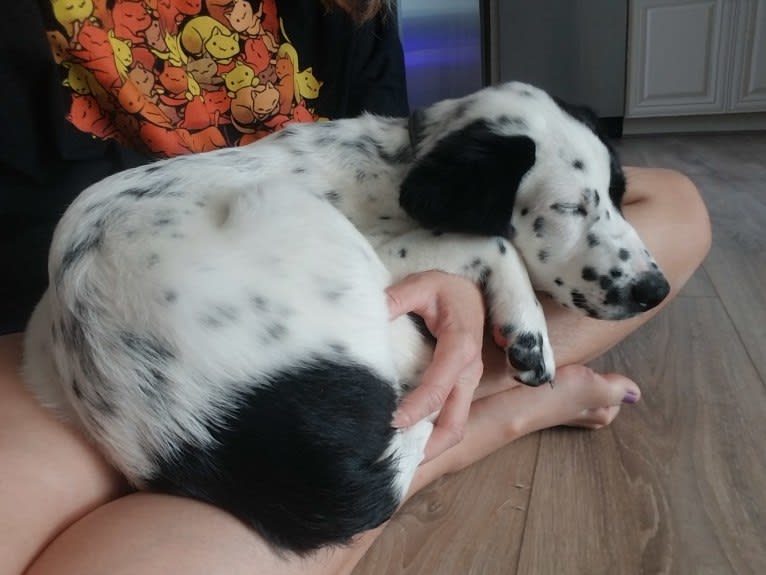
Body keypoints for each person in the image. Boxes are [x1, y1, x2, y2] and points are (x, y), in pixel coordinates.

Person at [0, 1, 711, 573]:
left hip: (331, 310)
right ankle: (473, 425)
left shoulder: (345, 12)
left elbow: (416, 186)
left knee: (677, 205)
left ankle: (404, 430)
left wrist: (458, 273)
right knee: (288, 502)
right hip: (71, 336)